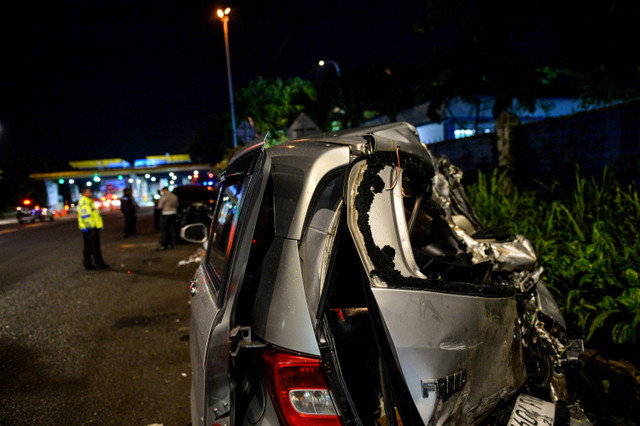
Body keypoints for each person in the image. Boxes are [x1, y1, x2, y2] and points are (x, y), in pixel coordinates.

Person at [77, 187, 109, 270]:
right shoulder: (85, 203)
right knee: (95, 247)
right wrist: (92, 228)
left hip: (88, 229)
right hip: (90, 229)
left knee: (88, 248)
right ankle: (99, 263)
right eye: (88, 192)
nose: (90, 193)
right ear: (84, 194)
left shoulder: (89, 202)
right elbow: (86, 217)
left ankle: (87, 264)